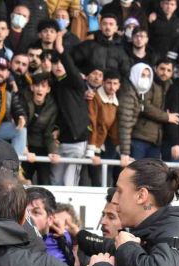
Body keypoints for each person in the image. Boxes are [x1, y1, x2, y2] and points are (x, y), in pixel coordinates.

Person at [50, 33, 90, 186]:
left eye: (62, 63)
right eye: (55, 63)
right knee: (55, 181)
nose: (58, 66)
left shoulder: (75, 82)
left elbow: (72, 71)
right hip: (59, 142)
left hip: (77, 140)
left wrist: (61, 51)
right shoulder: (52, 85)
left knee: (69, 182)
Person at [22, 72, 59, 186]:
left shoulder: (52, 106)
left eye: (43, 86)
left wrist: (53, 152)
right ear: (32, 87)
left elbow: (48, 132)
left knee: (45, 182)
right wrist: (25, 149)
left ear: (48, 90)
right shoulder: (24, 101)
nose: (40, 89)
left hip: (42, 147)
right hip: (26, 146)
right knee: (23, 180)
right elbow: (22, 128)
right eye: (37, 85)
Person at [86, 69, 120, 185]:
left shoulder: (115, 101)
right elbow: (92, 122)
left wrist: (119, 147)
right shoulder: (94, 97)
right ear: (103, 83)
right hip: (93, 144)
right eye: (109, 83)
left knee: (107, 179)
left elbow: (114, 128)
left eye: (115, 83)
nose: (112, 87)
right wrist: (91, 148)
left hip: (106, 145)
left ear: (119, 85)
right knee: (97, 180)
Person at [72, 14, 131, 78]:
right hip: (88, 83)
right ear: (100, 26)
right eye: (104, 24)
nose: (108, 27)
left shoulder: (121, 49)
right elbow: (72, 64)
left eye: (111, 24)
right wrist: (80, 76)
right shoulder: (87, 45)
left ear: (116, 28)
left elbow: (125, 73)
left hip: (111, 83)